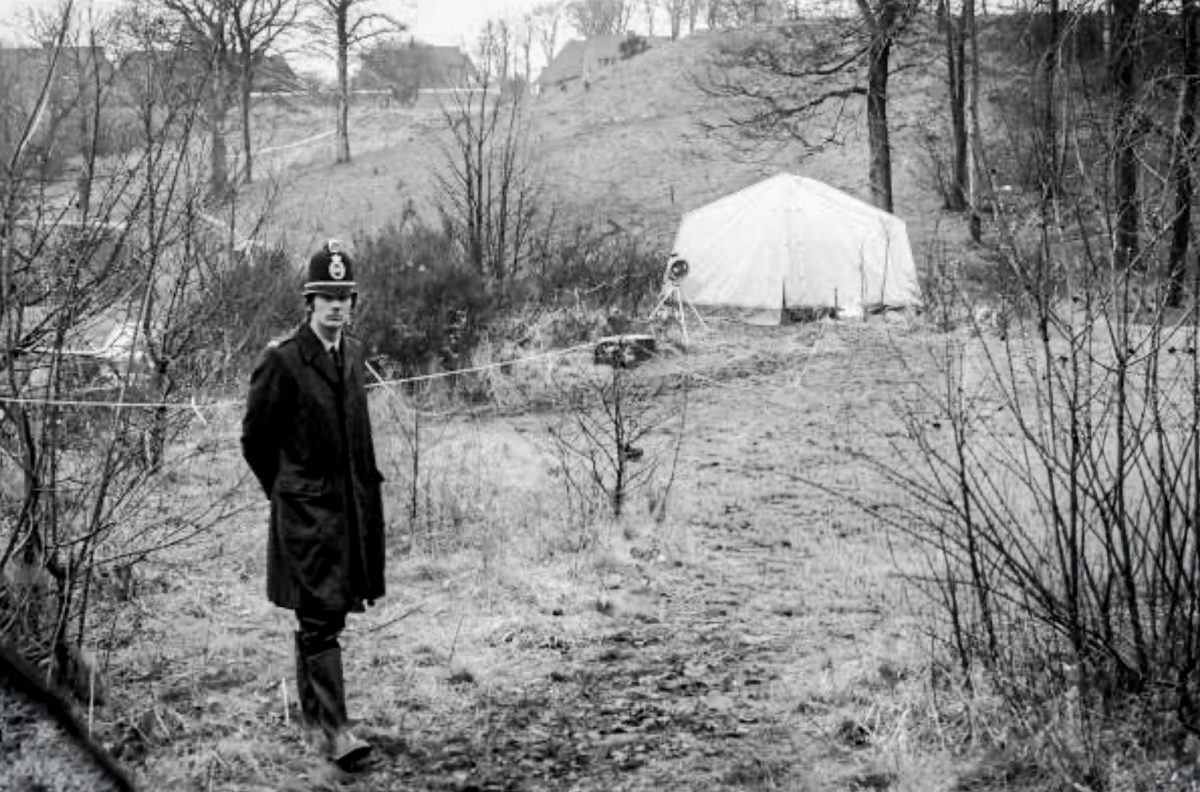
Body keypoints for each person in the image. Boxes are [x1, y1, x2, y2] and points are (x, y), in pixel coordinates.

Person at [241, 240, 386, 770]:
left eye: (344, 296)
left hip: (346, 512)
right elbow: (255, 440)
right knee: (321, 618)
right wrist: (286, 494)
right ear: (309, 301)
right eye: (325, 296)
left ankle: (315, 722)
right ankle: (337, 731)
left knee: (321, 619)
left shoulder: (352, 353)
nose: (336, 306)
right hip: (306, 515)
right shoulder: (282, 360)